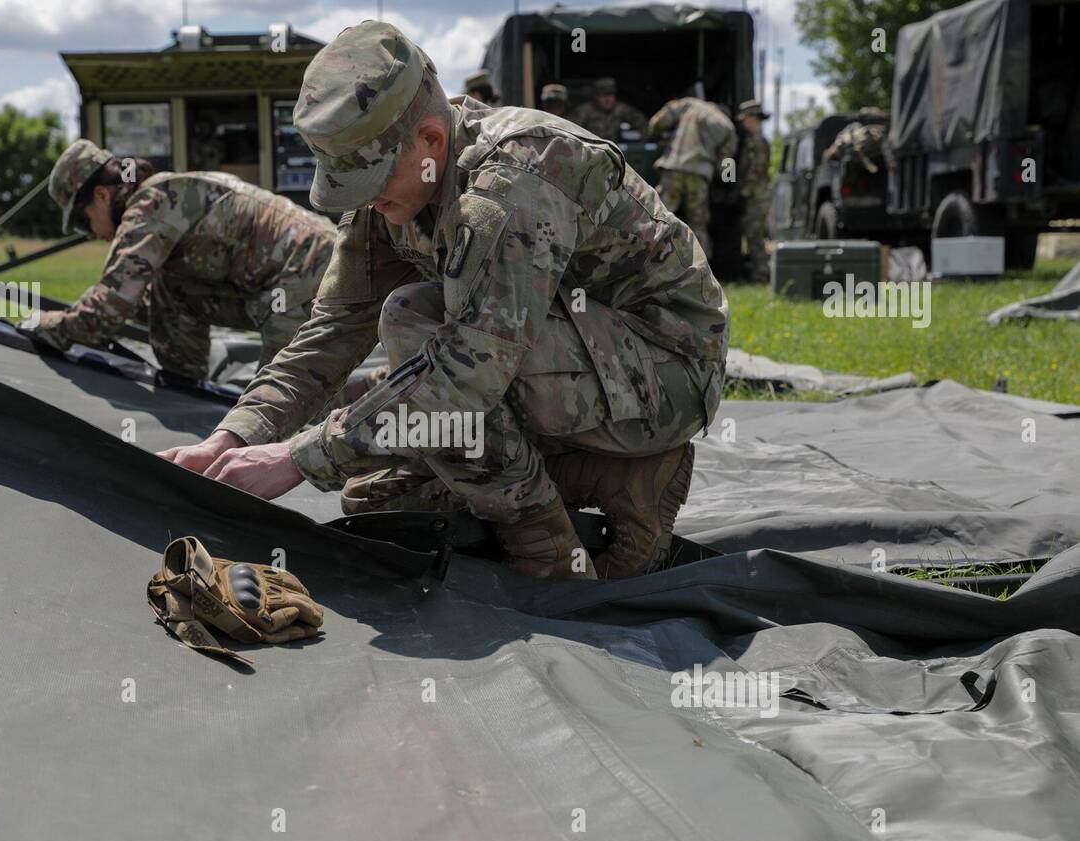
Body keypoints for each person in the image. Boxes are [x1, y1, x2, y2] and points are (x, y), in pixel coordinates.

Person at [162, 22, 729, 582]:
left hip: (667, 371)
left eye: (371, 183)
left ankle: (549, 552)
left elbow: (464, 376)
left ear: (431, 142)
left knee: (413, 326)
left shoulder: (515, 177)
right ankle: (617, 477)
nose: (365, 202)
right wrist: (234, 438)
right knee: (380, 497)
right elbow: (332, 332)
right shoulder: (393, 186)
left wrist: (299, 459)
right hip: (577, 362)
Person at [20, 140, 336, 382]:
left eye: (81, 220)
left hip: (310, 280)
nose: (87, 233)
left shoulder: (151, 204)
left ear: (102, 195)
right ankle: (188, 392)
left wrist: (46, 324)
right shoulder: (163, 194)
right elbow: (144, 303)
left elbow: (110, 306)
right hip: (299, 281)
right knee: (167, 290)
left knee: (277, 414)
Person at [646, 97, 736, 259]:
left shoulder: (691, 105)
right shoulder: (727, 126)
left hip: (673, 169)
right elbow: (727, 164)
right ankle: (701, 270)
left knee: (660, 219)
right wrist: (726, 184)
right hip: (699, 176)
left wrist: (654, 134)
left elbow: (660, 120)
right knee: (698, 224)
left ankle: (648, 261)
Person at [736, 99, 771, 283]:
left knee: (755, 237)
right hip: (757, 195)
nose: (742, 122)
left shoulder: (756, 141)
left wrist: (743, 193)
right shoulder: (757, 139)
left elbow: (755, 171)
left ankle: (761, 274)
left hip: (755, 196)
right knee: (754, 236)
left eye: (744, 118)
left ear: (753, 118)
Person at [569, 77, 649, 141]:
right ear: (596, 97)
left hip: (616, 151)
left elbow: (644, 125)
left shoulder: (621, 109)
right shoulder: (584, 111)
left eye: (611, 95)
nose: (608, 99)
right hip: (592, 150)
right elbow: (570, 132)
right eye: (603, 95)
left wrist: (645, 140)